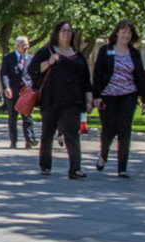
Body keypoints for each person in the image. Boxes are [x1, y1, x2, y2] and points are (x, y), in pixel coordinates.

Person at [29, 21, 94, 179]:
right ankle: (45, 165)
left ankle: (75, 169)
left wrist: (89, 100)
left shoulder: (78, 56)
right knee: (48, 133)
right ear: (57, 33)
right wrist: (49, 62)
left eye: (69, 31)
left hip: (73, 101)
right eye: (63, 30)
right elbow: (33, 70)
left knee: (72, 133)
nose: (67, 33)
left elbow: (86, 80)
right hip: (51, 99)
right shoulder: (47, 51)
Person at [92, 19, 145, 178]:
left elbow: (141, 77)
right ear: (117, 32)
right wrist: (96, 96)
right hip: (108, 96)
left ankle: (122, 168)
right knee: (108, 130)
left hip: (128, 96)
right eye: (123, 32)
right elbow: (97, 74)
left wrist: (144, 99)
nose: (126, 35)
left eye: (129, 33)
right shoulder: (106, 50)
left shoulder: (134, 53)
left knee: (124, 130)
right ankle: (103, 155)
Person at [0, 36, 39, 149]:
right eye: (24, 45)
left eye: (27, 45)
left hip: (26, 92)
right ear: (17, 46)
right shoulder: (8, 58)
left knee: (27, 116)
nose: (26, 47)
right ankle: (13, 141)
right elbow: (4, 74)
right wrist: (6, 87)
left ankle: (30, 140)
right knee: (13, 117)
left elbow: (33, 74)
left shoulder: (30, 58)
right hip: (13, 91)